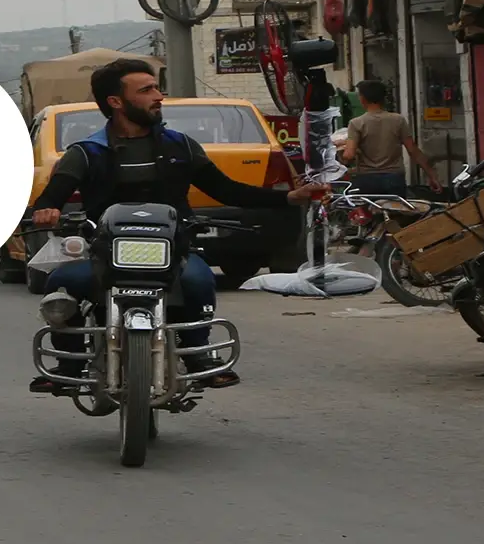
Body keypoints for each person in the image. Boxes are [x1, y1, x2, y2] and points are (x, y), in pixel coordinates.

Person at [28, 58, 326, 392]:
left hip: (174, 252)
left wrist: (289, 197)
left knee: (199, 281)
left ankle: (198, 356)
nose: (159, 96)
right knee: (63, 282)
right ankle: (68, 366)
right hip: (105, 254)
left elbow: (227, 190)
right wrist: (46, 209)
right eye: (146, 90)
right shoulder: (86, 152)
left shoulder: (181, 146)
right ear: (116, 102)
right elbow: (52, 196)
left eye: (156, 88)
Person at [338, 79, 439, 195]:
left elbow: (349, 155)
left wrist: (341, 153)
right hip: (394, 177)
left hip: (367, 179)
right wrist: (431, 175)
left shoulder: (356, 123)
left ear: (362, 99)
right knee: (396, 206)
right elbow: (413, 150)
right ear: (383, 98)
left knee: (367, 207)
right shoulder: (398, 120)